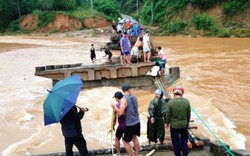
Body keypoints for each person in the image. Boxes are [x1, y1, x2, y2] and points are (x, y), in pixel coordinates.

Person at [112, 84, 141, 156]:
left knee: (125, 141)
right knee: (135, 138)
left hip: (130, 124)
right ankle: (137, 154)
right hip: (137, 121)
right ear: (129, 90)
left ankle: (131, 155)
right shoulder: (134, 97)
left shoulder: (123, 100)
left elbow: (120, 113)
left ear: (123, 90)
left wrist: (114, 106)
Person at [165, 86, 191, 156]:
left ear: (174, 94)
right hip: (184, 125)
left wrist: (167, 123)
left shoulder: (170, 103)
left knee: (175, 141)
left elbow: (168, 115)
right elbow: (188, 114)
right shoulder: (186, 102)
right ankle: (185, 153)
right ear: (182, 93)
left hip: (174, 126)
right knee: (184, 139)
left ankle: (177, 154)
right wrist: (187, 122)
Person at [111, 91, 126, 156]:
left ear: (117, 98)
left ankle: (118, 154)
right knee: (126, 140)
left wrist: (113, 126)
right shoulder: (126, 103)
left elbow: (114, 118)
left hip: (121, 126)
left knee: (117, 139)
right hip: (128, 125)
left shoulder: (117, 105)